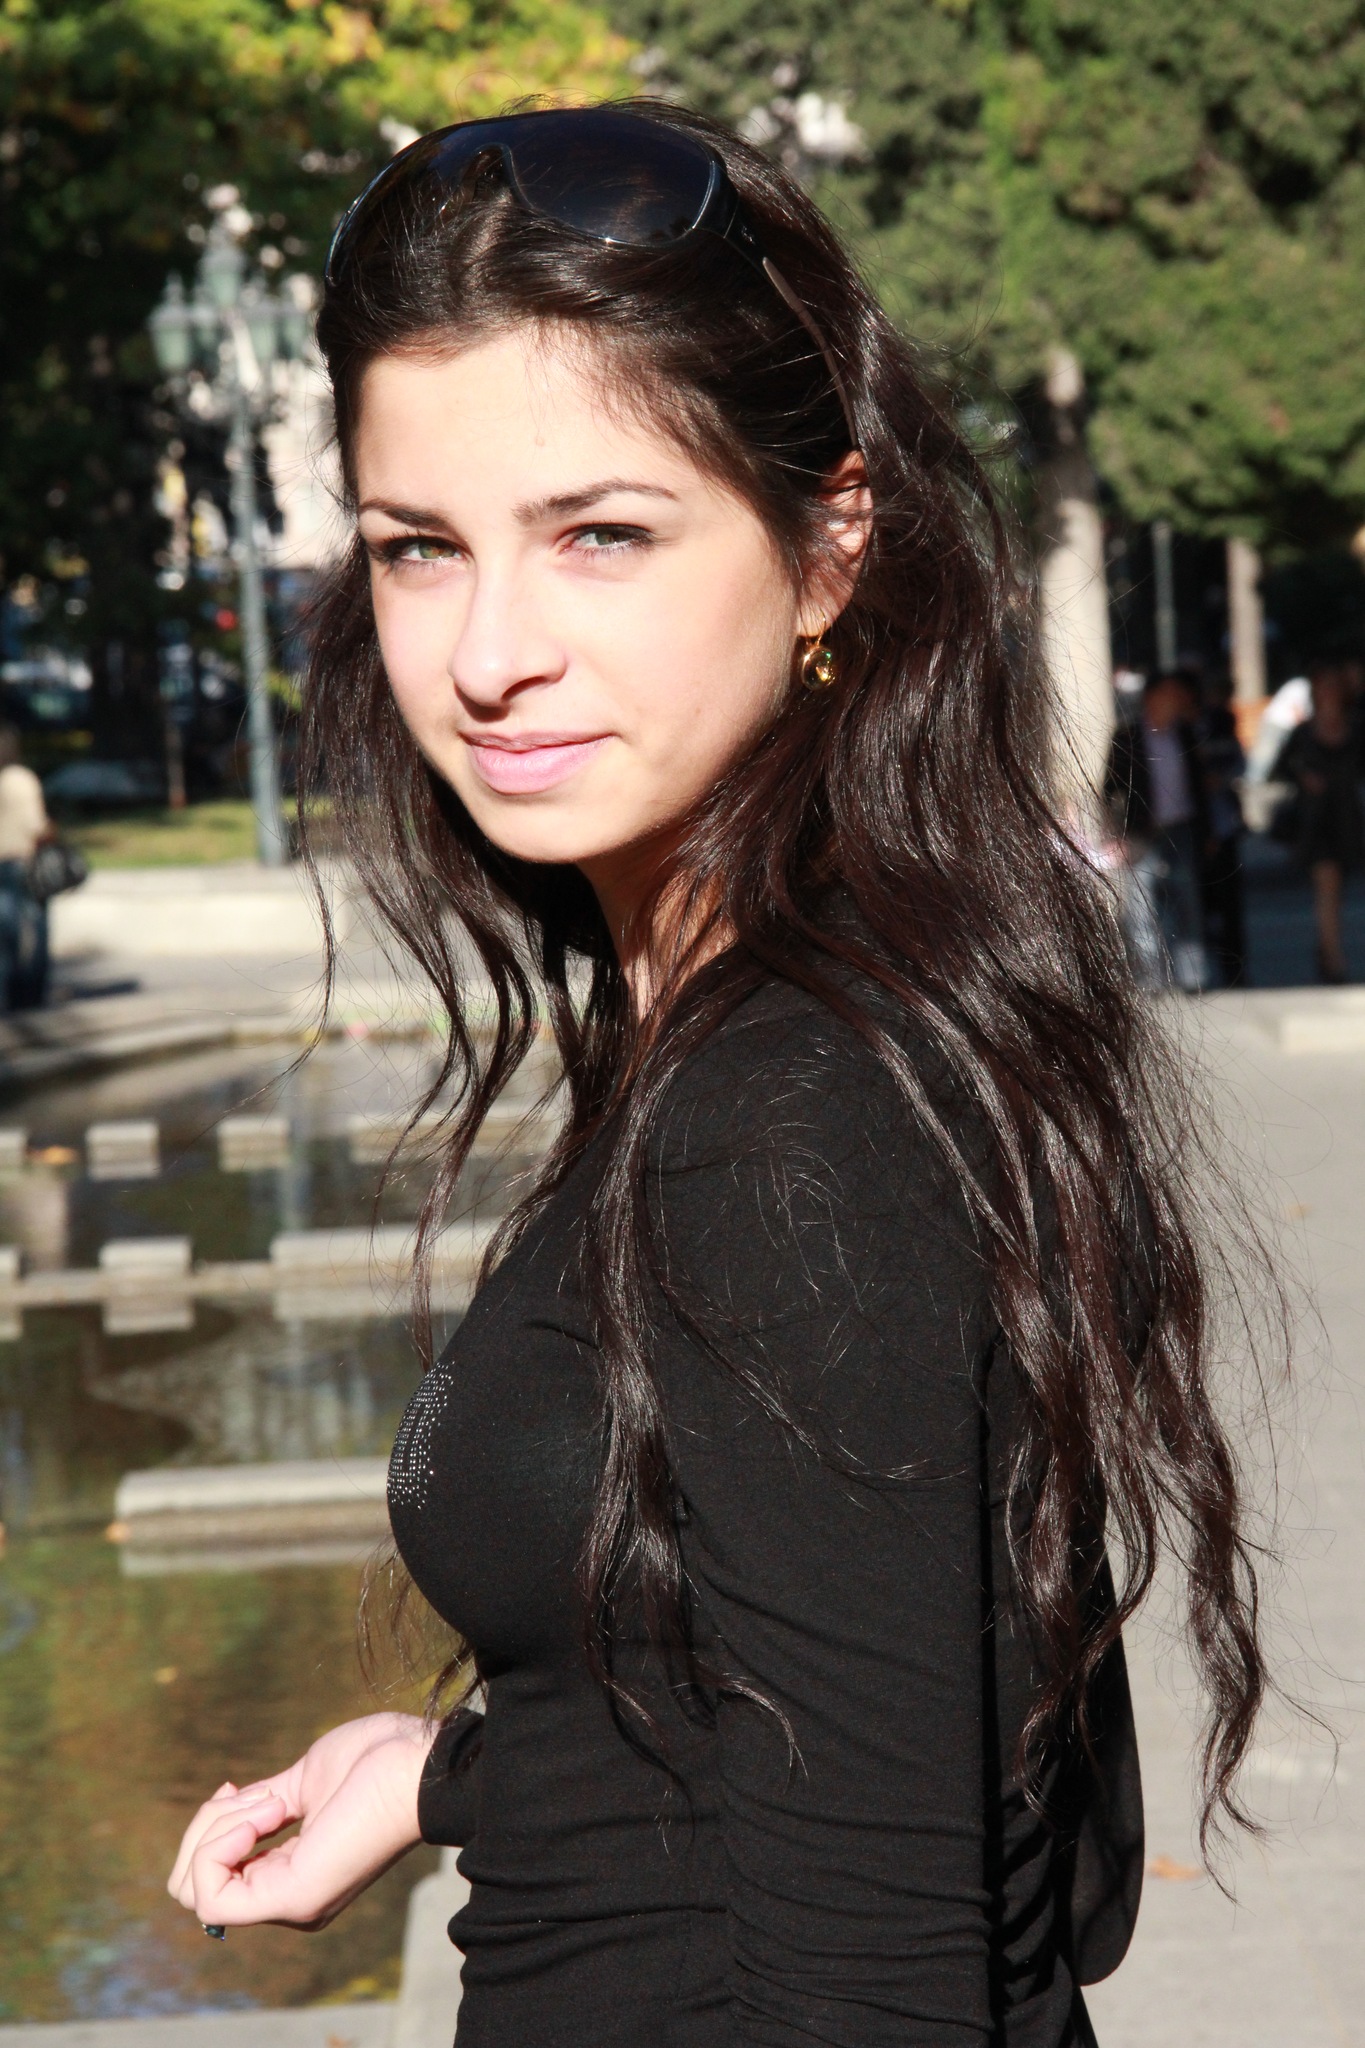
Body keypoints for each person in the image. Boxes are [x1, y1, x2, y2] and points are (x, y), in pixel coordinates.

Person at [168, 104, 1269, 2045]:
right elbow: (870, 1723)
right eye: (420, 548)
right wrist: (453, 1770)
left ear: (827, 546)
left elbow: (887, 1973)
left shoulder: (793, 1114)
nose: (487, 652)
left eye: (599, 535)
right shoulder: (790, 999)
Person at [1105, 671, 1211, 991]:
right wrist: (1115, 833)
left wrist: (1206, 833)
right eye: (1169, 695)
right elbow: (1110, 789)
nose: (1176, 702)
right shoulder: (1128, 737)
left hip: (1181, 828)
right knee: (1141, 904)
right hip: (1142, 832)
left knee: (1187, 901)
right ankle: (1150, 976)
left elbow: (1199, 787)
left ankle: (1193, 974)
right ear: (1151, 698)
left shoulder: (1186, 735)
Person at [1272, 658, 1365, 983]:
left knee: (1337, 891)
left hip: (1348, 816)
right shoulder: (1303, 732)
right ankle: (1333, 957)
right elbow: (1281, 767)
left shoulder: (1356, 728)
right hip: (1315, 819)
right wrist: (1304, 776)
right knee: (1327, 885)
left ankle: (1327, 951)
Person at [1195, 675, 1247, 988]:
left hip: (1223, 823)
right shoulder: (1192, 727)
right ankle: (1202, 966)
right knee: (1203, 902)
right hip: (1199, 824)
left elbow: (1238, 764)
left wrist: (1222, 778)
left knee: (1228, 903)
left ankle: (1233, 968)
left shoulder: (1224, 724)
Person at [0, 724, 54, 1009]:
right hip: (24, 861)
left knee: (5, 930)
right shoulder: (22, 779)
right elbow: (36, 825)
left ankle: (7, 990)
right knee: (37, 927)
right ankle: (32, 992)